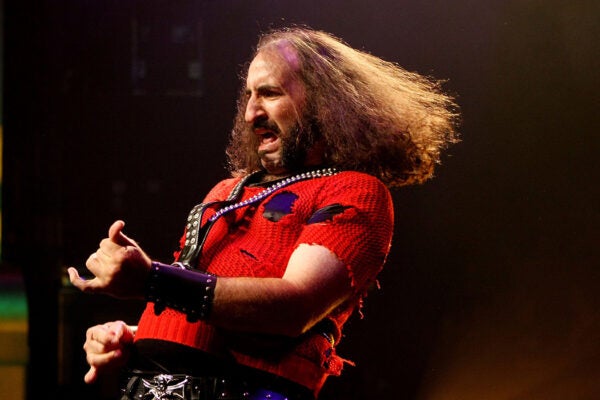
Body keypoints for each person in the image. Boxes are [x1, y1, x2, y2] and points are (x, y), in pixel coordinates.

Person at [68, 26, 459, 400]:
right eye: (249, 96)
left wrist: (153, 280)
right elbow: (202, 314)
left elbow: (294, 306)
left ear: (326, 104)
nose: (250, 114)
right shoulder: (228, 191)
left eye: (269, 94)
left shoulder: (356, 190)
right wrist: (131, 336)